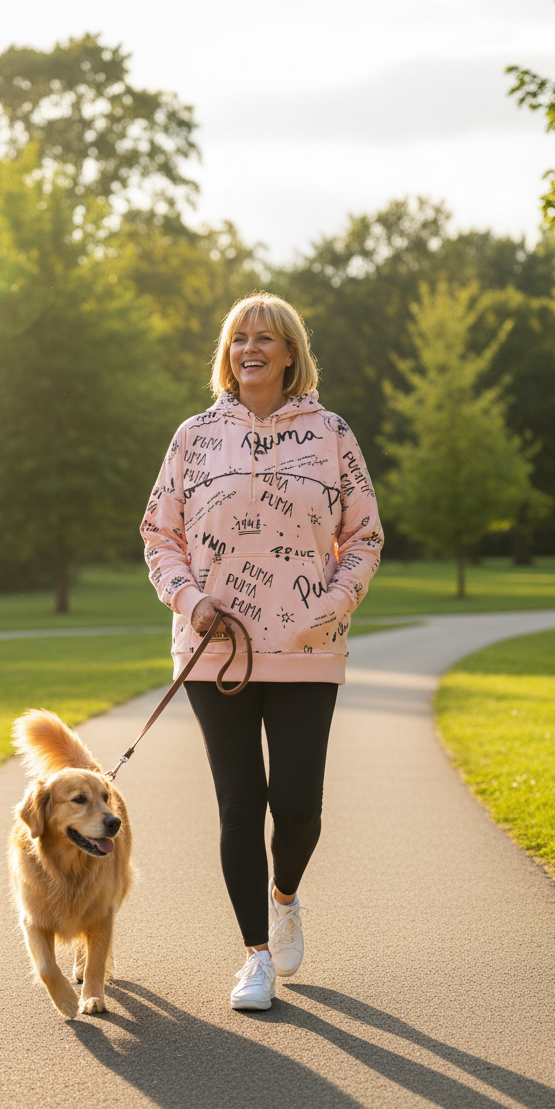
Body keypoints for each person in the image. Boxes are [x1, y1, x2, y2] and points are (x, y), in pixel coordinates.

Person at [140, 292, 383, 1010]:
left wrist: (334, 606)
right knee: (240, 803)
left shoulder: (331, 432)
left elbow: (363, 536)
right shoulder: (194, 436)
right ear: (228, 352)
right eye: (239, 336)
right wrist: (193, 600)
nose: (251, 347)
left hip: (309, 647)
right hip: (217, 651)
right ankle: (255, 958)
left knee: (299, 805)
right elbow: (160, 535)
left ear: (289, 353)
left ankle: (285, 896)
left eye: (266, 337)